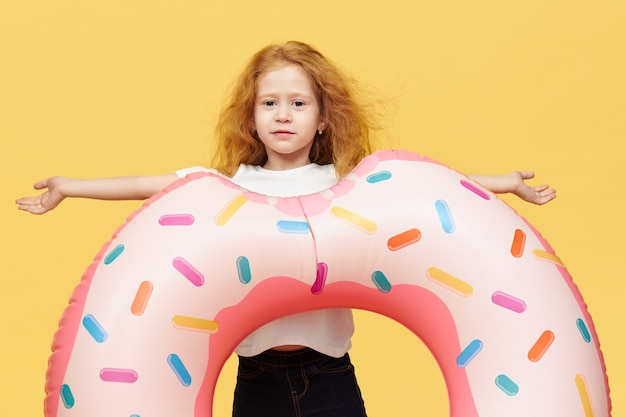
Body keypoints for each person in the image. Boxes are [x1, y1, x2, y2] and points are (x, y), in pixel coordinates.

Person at [16, 41, 556, 417]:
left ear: (323, 117)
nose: (282, 114)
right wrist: (72, 186)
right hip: (257, 379)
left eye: (298, 104)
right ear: (250, 118)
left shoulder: (348, 183)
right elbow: (147, 184)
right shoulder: (227, 188)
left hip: (330, 375)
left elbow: (430, 188)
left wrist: (505, 183)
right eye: (269, 104)